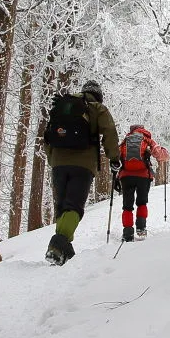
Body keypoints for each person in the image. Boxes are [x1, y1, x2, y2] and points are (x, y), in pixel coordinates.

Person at [43, 79, 119, 265]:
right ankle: (57, 244)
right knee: (74, 206)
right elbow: (109, 132)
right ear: (98, 95)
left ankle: (64, 250)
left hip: (58, 163)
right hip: (83, 164)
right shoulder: (97, 108)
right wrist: (114, 158)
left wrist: (54, 159)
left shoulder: (63, 104)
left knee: (62, 206)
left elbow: (48, 135)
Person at [116, 124, 170, 241]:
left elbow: (116, 155)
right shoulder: (148, 140)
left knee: (127, 206)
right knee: (141, 203)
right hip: (143, 176)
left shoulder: (125, 140)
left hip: (126, 176)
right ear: (143, 130)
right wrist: (164, 153)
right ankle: (141, 228)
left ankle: (128, 232)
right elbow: (161, 155)